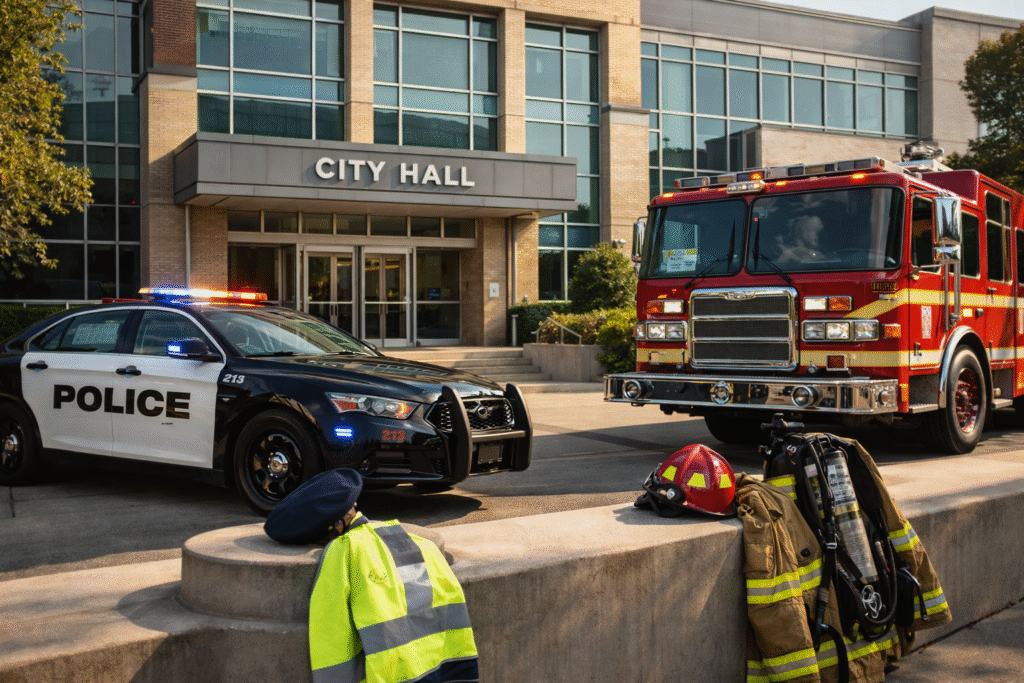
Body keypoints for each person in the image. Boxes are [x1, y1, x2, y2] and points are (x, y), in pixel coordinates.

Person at [264, 469, 480, 683]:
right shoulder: (417, 541)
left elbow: (332, 638)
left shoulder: (343, 552)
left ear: (330, 531)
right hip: (453, 669)